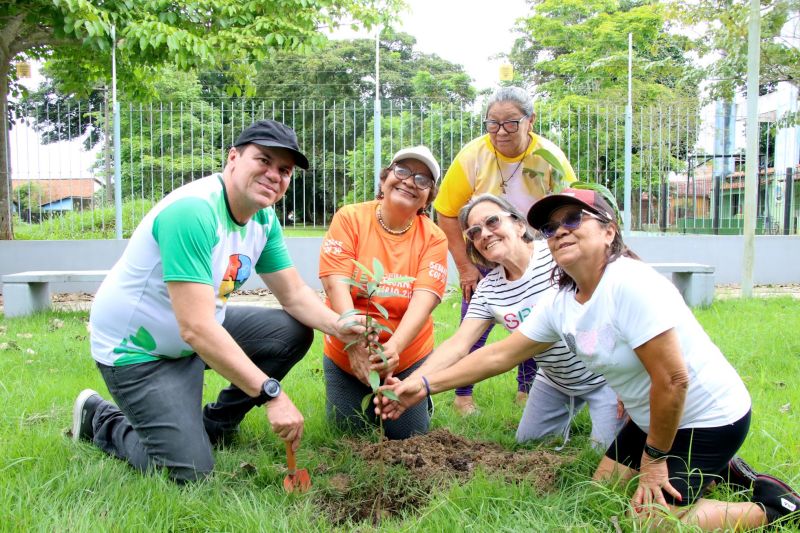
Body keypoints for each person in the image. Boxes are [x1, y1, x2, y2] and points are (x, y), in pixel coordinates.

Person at [380, 183, 800, 530]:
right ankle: (715, 471)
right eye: (551, 226)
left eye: (573, 219)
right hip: (650, 416)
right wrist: (424, 385)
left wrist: (654, 461)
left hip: (707, 418)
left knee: (651, 522)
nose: (560, 231)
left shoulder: (630, 283)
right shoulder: (562, 299)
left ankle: (774, 506)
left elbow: (674, 381)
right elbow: (500, 355)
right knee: (604, 490)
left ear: (609, 232)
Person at [71, 120, 364, 483]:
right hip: (138, 350)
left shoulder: (263, 219)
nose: (274, 175)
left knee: (291, 332)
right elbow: (196, 328)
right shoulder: (193, 212)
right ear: (233, 158)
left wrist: (340, 326)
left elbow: (293, 294)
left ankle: (215, 425)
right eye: (264, 160)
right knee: (188, 473)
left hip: (196, 334)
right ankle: (101, 419)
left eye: (284, 170)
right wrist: (270, 393)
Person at [377, 193, 624, 449]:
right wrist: (411, 383)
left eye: (492, 221)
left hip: (605, 376)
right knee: (528, 444)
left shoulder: (557, 254)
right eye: (474, 232)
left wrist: (629, 381)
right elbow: (458, 345)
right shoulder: (489, 290)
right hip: (555, 379)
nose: (484, 234)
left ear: (519, 225)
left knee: (608, 456)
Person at [433, 86, 576, 415]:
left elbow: (569, 207)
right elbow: (446, 211)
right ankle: (462, 396)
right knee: (473, 325)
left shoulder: (549, 157)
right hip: (484, 252)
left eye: (511, 123)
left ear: (530, 121)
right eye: (492, 123)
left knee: (533, 322)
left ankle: (528, 392)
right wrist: (466, 267)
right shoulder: (472, 155)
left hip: (531, 253)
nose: (500, 132)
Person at [319, 146, 448, 439]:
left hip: (407, 356)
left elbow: (424, 300)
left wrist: (395, 349)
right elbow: (335, 281)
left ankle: (421, 400)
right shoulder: (350, 218)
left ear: (429, 196)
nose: (410, 181)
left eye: (423, 179)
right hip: (347, 352)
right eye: (402, 171)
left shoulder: (434, 237)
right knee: (347, 433)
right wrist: (354, 344)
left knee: (408, 434)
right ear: (384, 178)